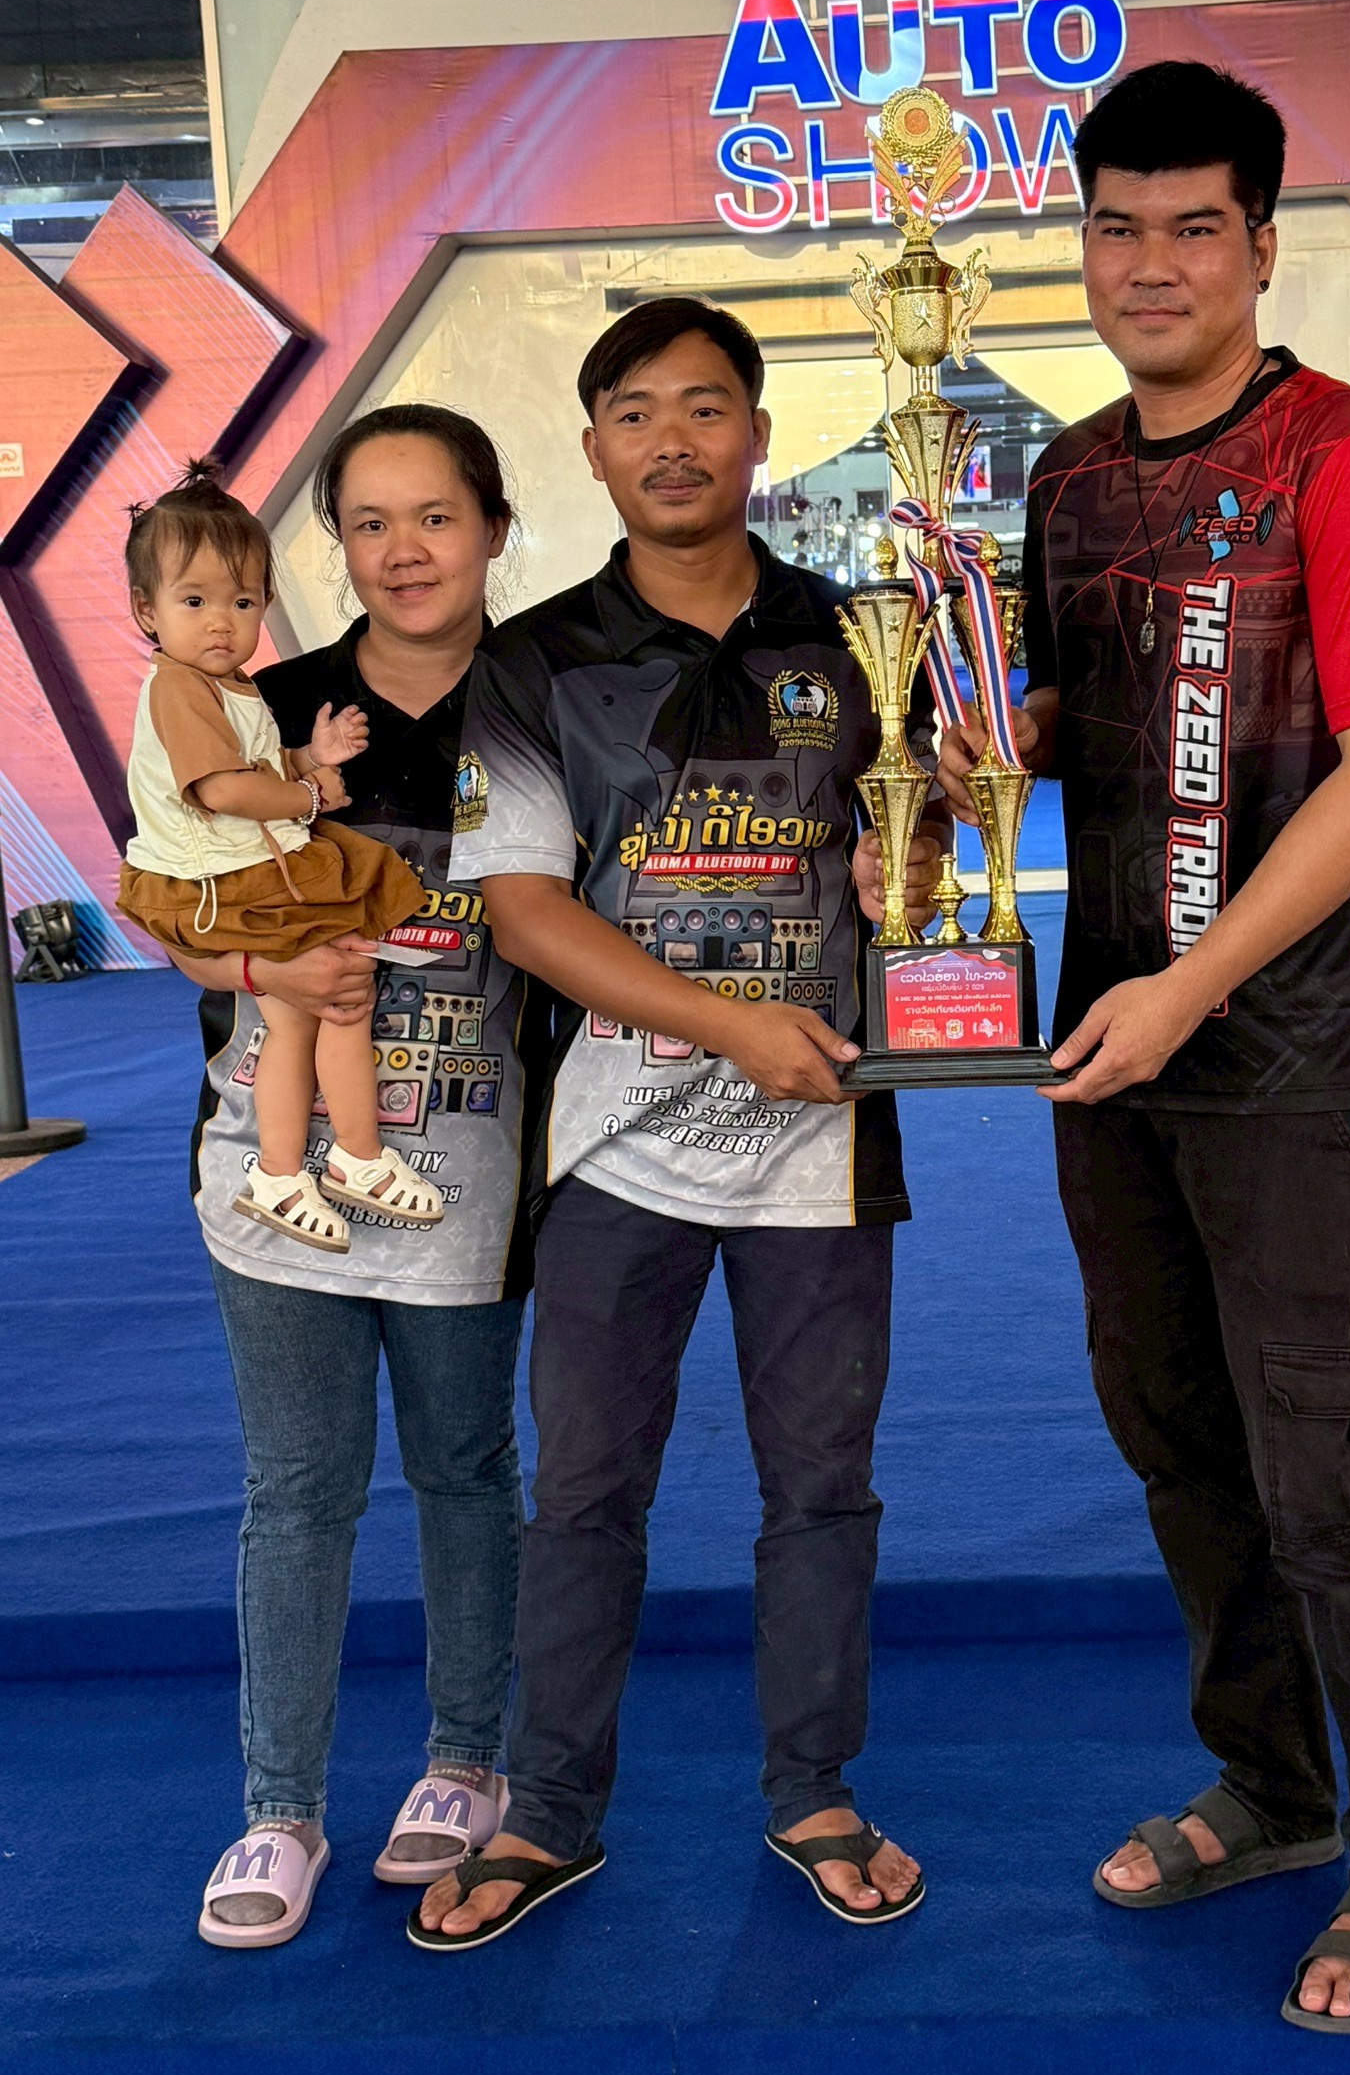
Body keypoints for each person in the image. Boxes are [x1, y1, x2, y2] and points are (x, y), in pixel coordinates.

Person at [938, 61, 1350, 2031]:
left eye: (1189, 228)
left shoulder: (1347, 454)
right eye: (1113, 226)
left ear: (1256, 244)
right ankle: (1267, 1786)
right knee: (1169, 1426)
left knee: (1324, 1452)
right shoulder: (1063, 475)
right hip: (1107, 1037)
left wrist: (1192, 981)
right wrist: (979, 752)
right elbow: (1073, 720)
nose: (1147, 264)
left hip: (1285, 1046)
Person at [411, 296, 941, 1951]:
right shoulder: (530, 664)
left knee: (822, 1487)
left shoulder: (860, 637)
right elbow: (521, 910)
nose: (671, 439)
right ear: (592, 449)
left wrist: (914, 877)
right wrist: (726, 1025)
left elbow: (913, 847)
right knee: (583, 1491)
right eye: (634, 411)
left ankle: (813, 1788)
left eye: (705, 406)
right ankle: (548, 1810)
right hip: (612, 1146)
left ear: (758, 436)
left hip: (819, 1143)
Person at [163, 409, 542, 1948]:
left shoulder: (551, 705)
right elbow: (174, 907)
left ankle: (467, 1760)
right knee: (297, 1486)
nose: (402, 550)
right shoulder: (264, 711)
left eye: (433, 515)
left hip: (469, 1161)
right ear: (335, 545)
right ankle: (281, 1806)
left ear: (493, 527)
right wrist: (267, 966)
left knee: (463, 1467)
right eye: (368, 522)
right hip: (277, 1166)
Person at [116, 460, 437, 1247]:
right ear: (146, 609)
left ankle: (296, 1169)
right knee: (335, 1001)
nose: (221, 623)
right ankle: (337, 1160)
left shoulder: (232, 686)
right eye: (194, 601)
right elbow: (225, 788)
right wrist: (310, 796)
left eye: (243, 601)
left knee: (308, 1018)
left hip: (243, 873)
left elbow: (256, 763)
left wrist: (308, 755)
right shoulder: (179, 687)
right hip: (224, 882)